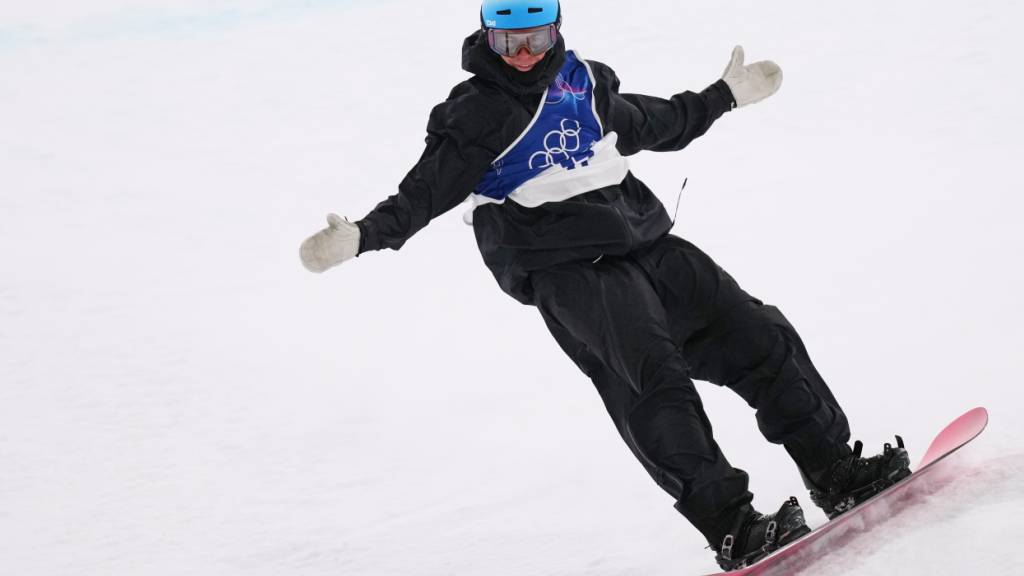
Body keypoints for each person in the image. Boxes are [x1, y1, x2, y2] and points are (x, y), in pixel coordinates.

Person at [299, 1, 912, 570]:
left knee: (759, 334)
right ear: (487, 36)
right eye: (508, 41)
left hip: (647, 242)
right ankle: (732, 526)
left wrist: (724, 95)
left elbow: (656, 122)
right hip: (568, 270)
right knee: (653, 382)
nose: (523, 55)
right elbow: (423, 192)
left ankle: (834, 468)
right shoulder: (476, 112)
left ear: (557, 29)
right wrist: (360, 236)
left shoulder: (585, 83)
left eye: (536, 38)